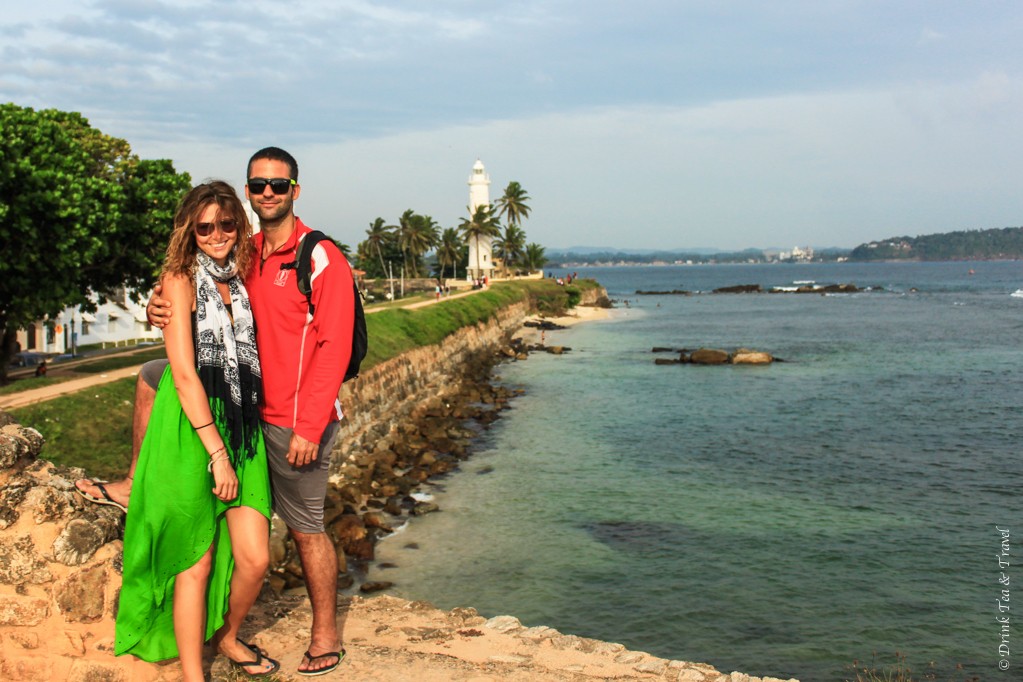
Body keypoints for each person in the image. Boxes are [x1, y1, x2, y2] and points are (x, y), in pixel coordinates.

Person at [82, 147, 355, 676]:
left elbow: (335, 345)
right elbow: (181, 349)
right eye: (258, 186)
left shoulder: (314, 257)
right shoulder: (239, 258)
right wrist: (157, 306)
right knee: (150, 380)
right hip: (216, 417)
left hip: (280, 421)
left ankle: (319, 635)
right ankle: (135, 480)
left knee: (298, 532)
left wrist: (311, 421)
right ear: (247, 193)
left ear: (295, 190)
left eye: (278, 185)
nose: (267, 194)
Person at [114, 181, 276, 679]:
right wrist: (216, 454)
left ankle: (226, 635)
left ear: (239, 226)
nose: (217, 235)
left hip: (241, 425)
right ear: (190, 229)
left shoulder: (244, 274)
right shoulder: (180, 280)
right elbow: (183, 375)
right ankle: (192, 674)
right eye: (205, 226)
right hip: (191, 430)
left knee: (255, 557)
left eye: (227, 224)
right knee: (195, 560)